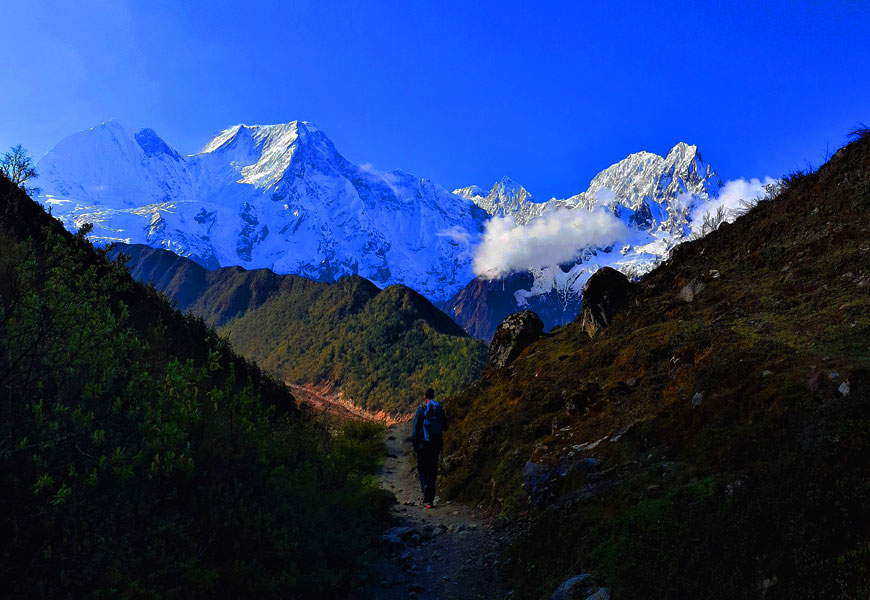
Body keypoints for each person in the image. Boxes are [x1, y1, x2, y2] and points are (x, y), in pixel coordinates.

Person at [411, 387, 448, 509]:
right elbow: (446, 426)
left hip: (423, 445)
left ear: (425, 398)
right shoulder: (439, 409)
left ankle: (425, 487)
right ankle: (430, 501)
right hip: (436, 444)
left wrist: (415, 445)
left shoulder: (421, 410)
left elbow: (415, 430)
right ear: (433, 396)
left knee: (422, 469)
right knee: (432, 470)